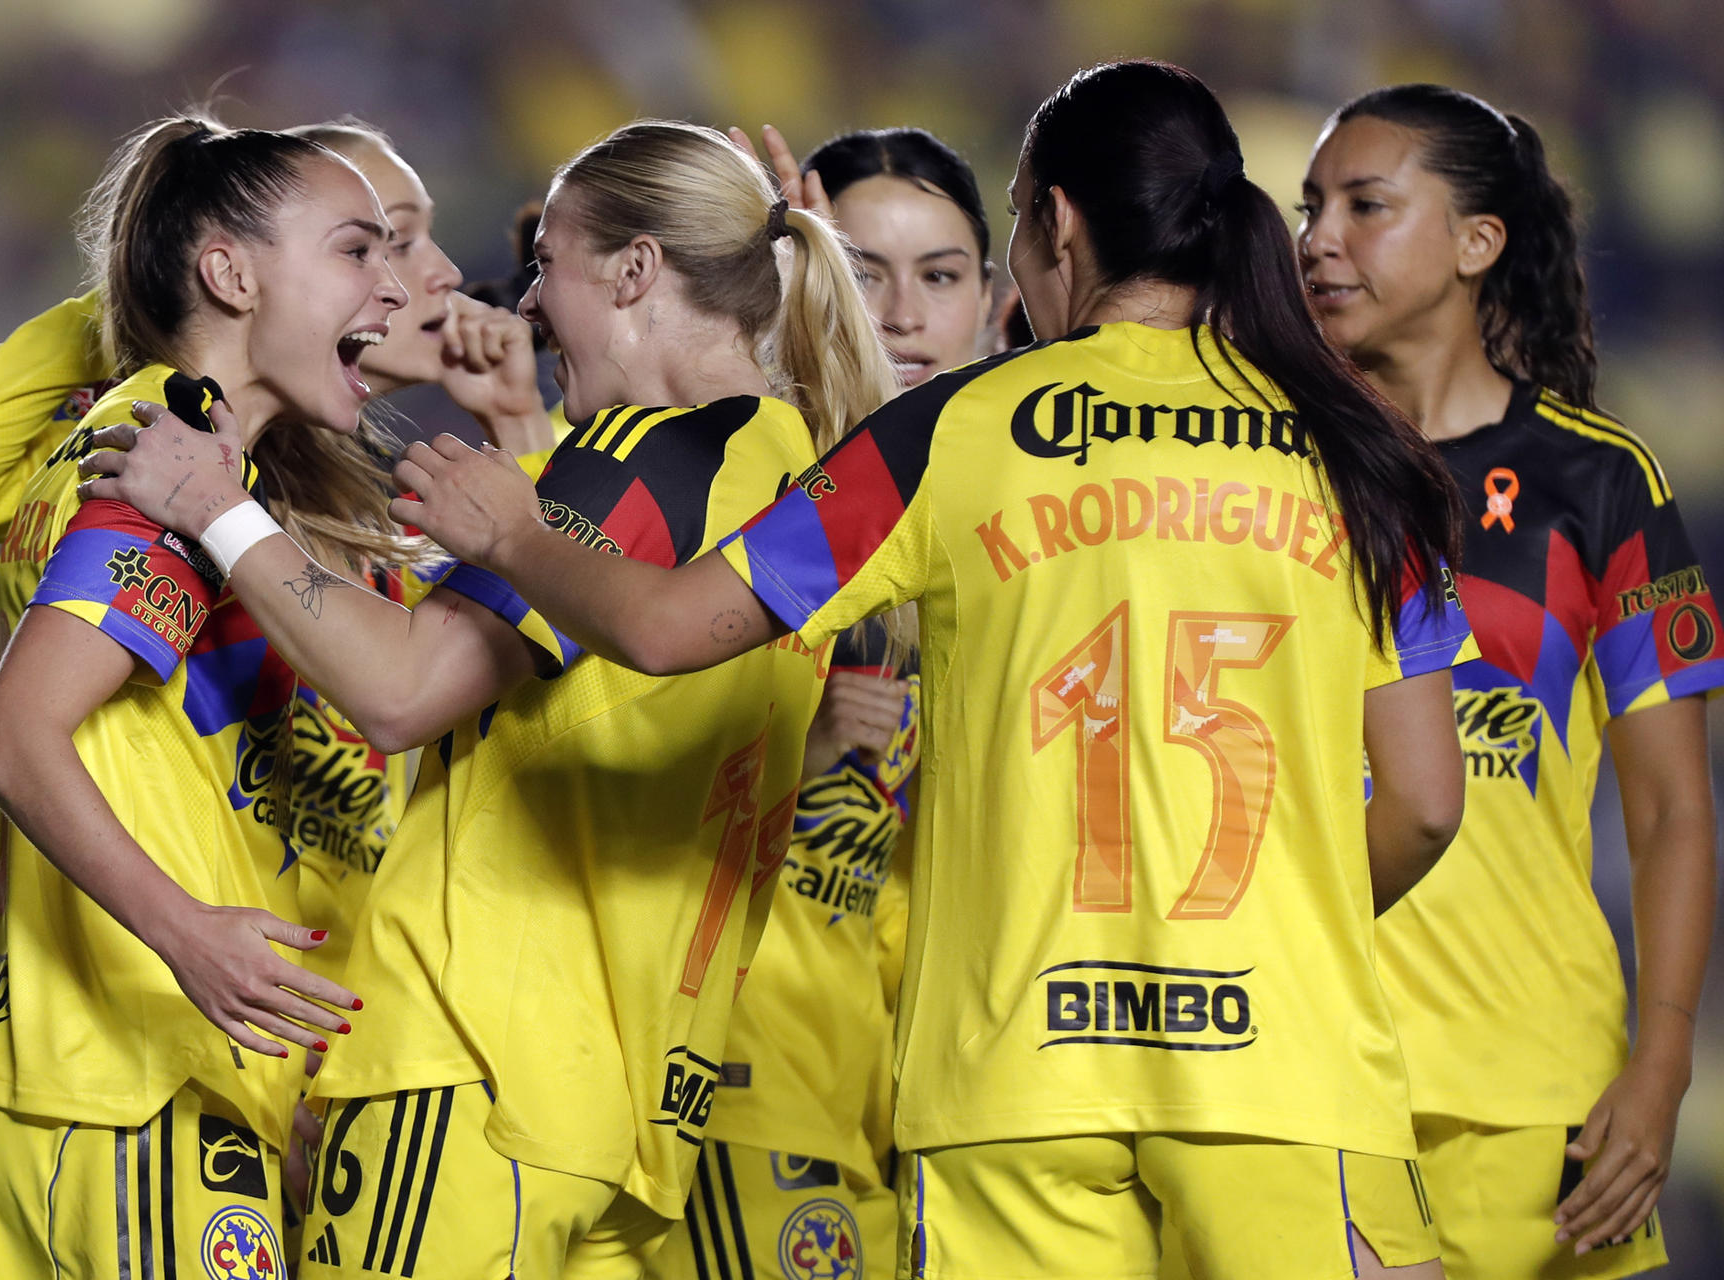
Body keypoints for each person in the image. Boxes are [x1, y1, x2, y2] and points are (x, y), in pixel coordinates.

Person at [380, 61, 1481, 1280]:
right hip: (1287, 1064)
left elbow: (670, 627)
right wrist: (1284, 931)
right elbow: (1428, 802)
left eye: (1010, 225)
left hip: (1014, 1073)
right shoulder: (1360, 451)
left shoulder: (950, 425)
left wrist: (514, 533)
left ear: (1058, 222)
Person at [78, 119, 893, 1279]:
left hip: (475, 1070)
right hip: (628, 1104)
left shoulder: (642, 456)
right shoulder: (786, 459)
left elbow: (404, 687)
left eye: (545, 266)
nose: (523, 310)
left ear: (635, 271)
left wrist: (218, 505)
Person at [0, 113, 411, 1278]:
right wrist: (195, 943)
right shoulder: (169, 453)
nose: (393, 287)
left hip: (115, 1089)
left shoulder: (172, 450)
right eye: (358, 250)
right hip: (128, 1086)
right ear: (231, 272)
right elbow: (15, 735)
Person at [1298, 83, 1723, 1277]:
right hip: (1310, 1082)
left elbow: (1674, 809)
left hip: (1545, 1100)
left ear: (1479, 243)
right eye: (1310, 206)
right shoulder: (1270, 466)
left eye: (1365, 205)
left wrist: (1661, 1062)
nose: (1320, 235)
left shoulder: (1603, 483)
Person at [646, 123, 997, 1280]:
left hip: (929, 1113)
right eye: (859, 266)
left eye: (940, 277)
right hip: (743, 1099)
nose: (899, 312)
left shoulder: (1026, 535)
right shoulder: (743, 504)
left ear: (995, 303)